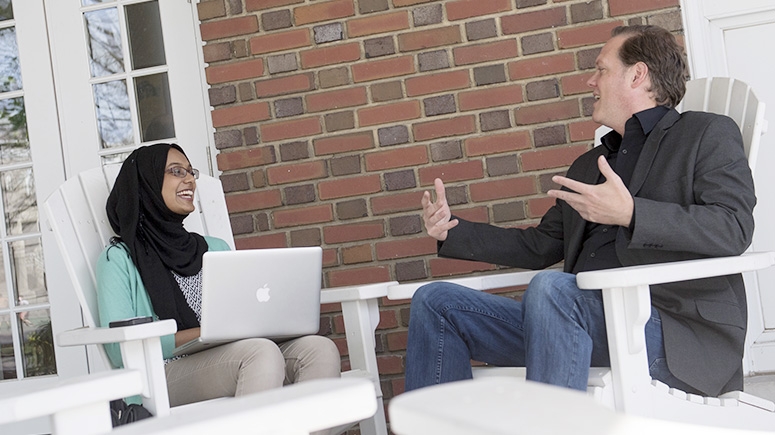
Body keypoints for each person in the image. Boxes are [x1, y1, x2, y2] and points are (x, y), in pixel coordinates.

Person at [406, 25, 755, 397]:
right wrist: (451, 230)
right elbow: (541, 245)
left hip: (670, 331)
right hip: (571, 318)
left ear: (638, 75)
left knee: (553, 289)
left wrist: (631, 214)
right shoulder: (591, 164)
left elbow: (733, 228)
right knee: (436, 301)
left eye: (601, 69)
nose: (591, 81)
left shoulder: (704, 134)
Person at [97, 143, 340, 408]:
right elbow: (117, 348)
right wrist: (203, 333)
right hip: (162, 373)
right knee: (261, 354)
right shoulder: (118, 259)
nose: (189, 179)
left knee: (319, 350)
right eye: (176, 171)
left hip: (234, 352)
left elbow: (243, 312)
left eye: (191, 172)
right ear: (148, 182)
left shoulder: (215, 248)